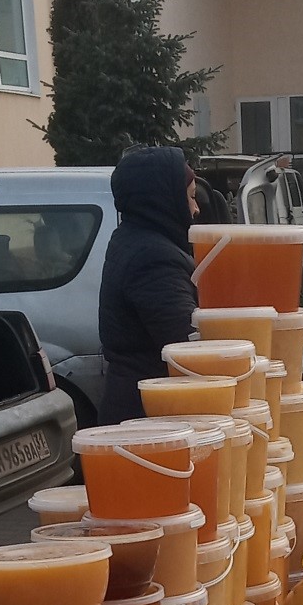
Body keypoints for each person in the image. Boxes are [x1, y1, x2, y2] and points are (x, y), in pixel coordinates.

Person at [96, 145, 197, 425]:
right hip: (147, 416)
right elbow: (186, 343)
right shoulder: (154, 257)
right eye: (191, 197)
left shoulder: (131, 239)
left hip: (133, 404)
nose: (196, 208)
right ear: (165, 200)